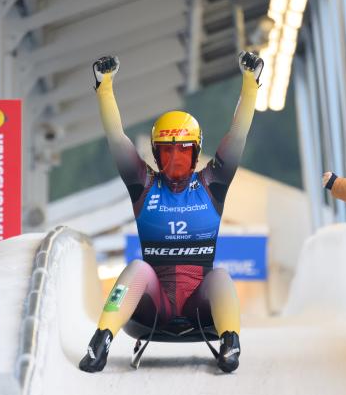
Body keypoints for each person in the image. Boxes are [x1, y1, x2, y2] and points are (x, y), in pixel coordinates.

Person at [78, 51, 264, 373]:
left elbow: (237, 135)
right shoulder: (144, 183)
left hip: (199, 305)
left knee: (219, 275)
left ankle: (231, 342)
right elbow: (116, 138)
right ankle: (101, 340)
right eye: (167, 152)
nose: (175, 159)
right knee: (138, 268)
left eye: (183, 151)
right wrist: (104, 88)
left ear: (195, 154)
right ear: (155, 153)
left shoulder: (212, 183)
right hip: (153, 303)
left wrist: (250, 86)